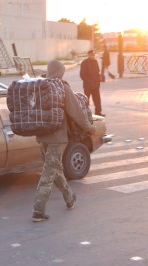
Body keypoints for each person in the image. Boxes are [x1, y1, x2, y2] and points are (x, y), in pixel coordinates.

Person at [32, 60, 96, 222]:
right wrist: (88, 127)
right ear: (60, 72)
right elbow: (76, 112)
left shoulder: (39, 86)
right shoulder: (61, 87)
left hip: (41, 135)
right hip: (55, 138)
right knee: (48, 173)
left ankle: (69, 197)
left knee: (55, 168)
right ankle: (38, 211)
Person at [80, 50, 105, 117]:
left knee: (97, 100)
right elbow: (82, 75)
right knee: (86, 101)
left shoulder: (95, 61)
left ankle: (98, 112)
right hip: (88, 86)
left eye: (93, 55)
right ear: (88, 55)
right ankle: (86, 114)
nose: (92, 56)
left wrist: (98, 81)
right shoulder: (84, 63)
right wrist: (89, 82)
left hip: (96, 86)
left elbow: (97, 72)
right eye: (91, 55)